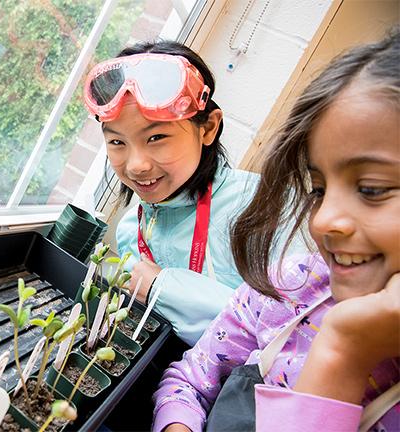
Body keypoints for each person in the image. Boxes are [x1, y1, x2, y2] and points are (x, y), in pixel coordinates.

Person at [153, 31, 399, 432]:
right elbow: (190, 380)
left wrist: (343, 351)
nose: (321, 221)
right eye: (318, 189)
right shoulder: (289, 286)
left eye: (371, 189)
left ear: (208, 128)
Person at [83, 41, 268, 346]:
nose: (137, 165)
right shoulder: (132, 228)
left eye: (156, 137)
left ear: (207, 128)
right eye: (117, 143)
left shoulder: (261, 206)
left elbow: (288, 332)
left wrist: (162, 287)